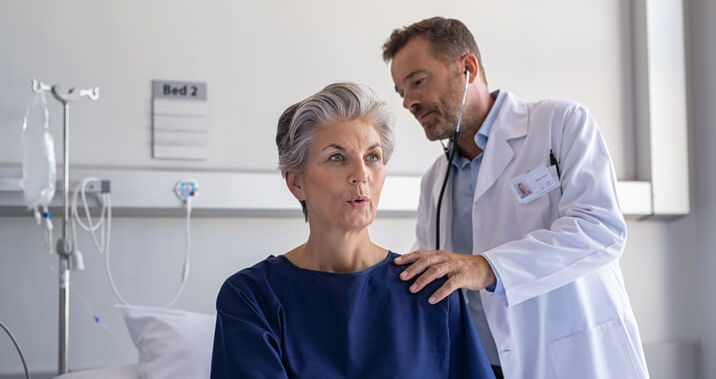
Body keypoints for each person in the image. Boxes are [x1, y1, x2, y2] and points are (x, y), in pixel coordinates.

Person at [382, 17, 649, 379]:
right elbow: (437, 279)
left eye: (417, 81)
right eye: (401, 92)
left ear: (467, 68)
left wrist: (486, 267)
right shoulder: (435, 181)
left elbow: (600, 229)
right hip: (480, 367)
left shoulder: (560, 123)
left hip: (570, 359)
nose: (409, 102)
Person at [210, 82, 495, 379]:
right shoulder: (252, 297)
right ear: (296, 183)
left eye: (372, 157)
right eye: (337, 157)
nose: (361, 176)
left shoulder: (433, 289)